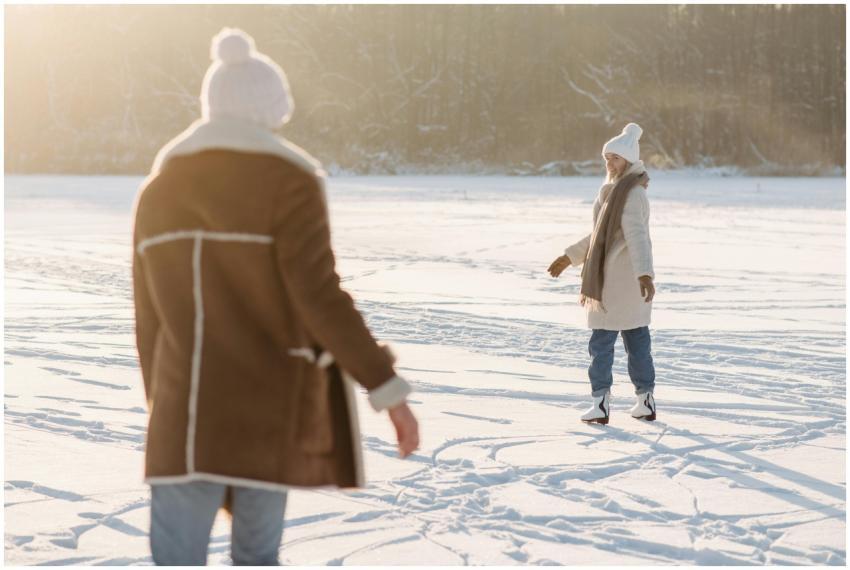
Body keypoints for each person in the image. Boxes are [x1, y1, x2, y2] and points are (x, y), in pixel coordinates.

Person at [132, 28, 420, 565]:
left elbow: (148, 324)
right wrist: (386, 388)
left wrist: (166, 405)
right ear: (271, 110)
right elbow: (318, 296)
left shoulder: (159, 188)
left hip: (182, 411)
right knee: (257, 558)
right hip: (265, 409)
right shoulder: (290, 181)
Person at [547, 123, 657, 425]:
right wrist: (569, 256)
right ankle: (641, 401)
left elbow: (637, 237)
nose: (610, 163)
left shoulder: (631, 194)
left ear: (629, 161)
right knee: (633, 344)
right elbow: (598, 236)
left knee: (606, 346)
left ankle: (604, 404)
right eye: (607, 157)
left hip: (620, 283)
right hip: (618, 284)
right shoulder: (613, 191)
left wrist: (645, 274)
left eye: (615, 158)